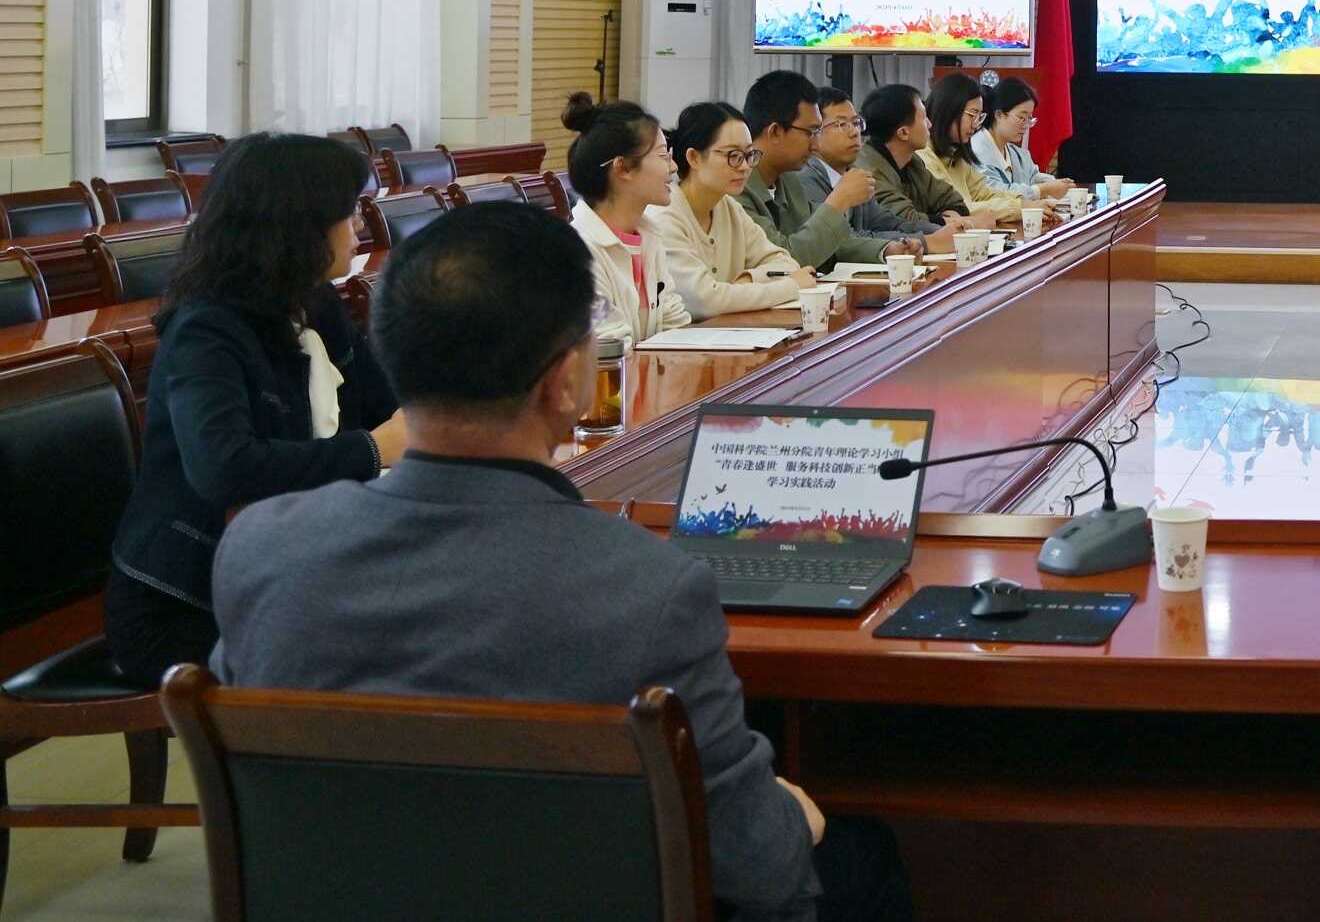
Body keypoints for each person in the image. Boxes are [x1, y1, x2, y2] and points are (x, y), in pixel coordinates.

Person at [209, 203, 916, 921]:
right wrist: (792, 818)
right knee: (859, 858)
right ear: (567, 381)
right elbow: (759, 864)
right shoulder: (648, 587)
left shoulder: (262, 551)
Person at [102, 133, 407, 685]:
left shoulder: (315, 302)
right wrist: (370, 450)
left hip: (287, 567)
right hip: (186, 602)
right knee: (393, 654)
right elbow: (224, 468)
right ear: (297, 228)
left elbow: (390, 410)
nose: (361, 226)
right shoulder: (206, 330)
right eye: (347, 213)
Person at [648, 101, 816, 316]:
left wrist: (748, 280)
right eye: (733, 156)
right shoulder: (664, 217)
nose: (745, 167)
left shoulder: (729, 207)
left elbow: (786, 263)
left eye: (749, 155)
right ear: (694, 157)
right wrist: (791, 287)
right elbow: (705, 302)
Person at [562, 93, 690, 347]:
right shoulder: (578, 254)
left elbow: (676, 326)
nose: (674, 167)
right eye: (663, 156)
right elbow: (611, 349)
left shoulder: (649, 237)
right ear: (622, 168)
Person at [736, 70, 886, 269]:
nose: (816, 145)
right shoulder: (736, 186)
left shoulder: (789, 180)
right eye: (811, 132)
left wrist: (887, 250)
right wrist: (838, 201)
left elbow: (827, 243)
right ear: (775, 131)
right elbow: (783, 261)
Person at [808, 86, 945, 252]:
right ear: (814, 131)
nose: (855, 133)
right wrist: (926, 241)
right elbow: (840, 241)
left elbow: (888, 223)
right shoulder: (805, 178)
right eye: (842, 124)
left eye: (856, 123)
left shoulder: (852, 174)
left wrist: (942, 232)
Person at [855, 83, 979, 234]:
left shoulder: (912, 162)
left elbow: (953, 200)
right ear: (903, 133)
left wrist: (953, 215)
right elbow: (903, 222)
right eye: (924, 118)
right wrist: (944, 221)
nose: (930, 124)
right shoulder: (868, 172)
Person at [924, 72, 1028, 225]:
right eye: (972, 115)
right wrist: (1021, 207)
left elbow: (983, 193)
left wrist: (1024, 202)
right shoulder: (924, 156)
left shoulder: (955, 154)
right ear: (948, 110)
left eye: (980, 117)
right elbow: (961, 208)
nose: (976, 124)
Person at [973, 76, 1076, 202]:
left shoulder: (1016, 153)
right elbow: (992, 193)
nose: (1026, 125)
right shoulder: (976, 150)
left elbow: (1033, 177)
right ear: (999, 114)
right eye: (1022, 118)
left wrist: (1057, 184)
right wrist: (1042, 190)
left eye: (1029, 119)